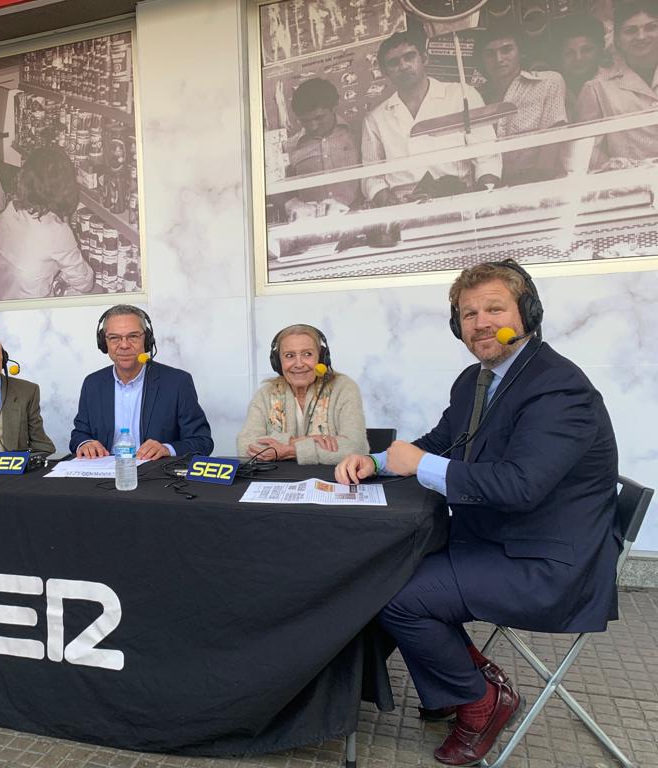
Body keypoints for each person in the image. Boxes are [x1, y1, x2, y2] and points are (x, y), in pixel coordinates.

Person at [335, 261, 619, 766]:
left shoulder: (559, 388)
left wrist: (420, 464)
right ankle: (456, 687)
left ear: (527, 313)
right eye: (469, 314)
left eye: (494, 308)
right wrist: (376, 461)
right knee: (380, 572)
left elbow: (520, 485)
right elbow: (443, 443)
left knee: (398, 597)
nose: (480, 322)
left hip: (548, 565)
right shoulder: (477, 379)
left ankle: (481, 701)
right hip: (496, 542)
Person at [361, 30, 502, 205]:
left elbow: (487, 155)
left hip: (459, 197)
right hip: (403, 204)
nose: (403, 66)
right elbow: (371, 177)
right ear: (384, 71)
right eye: (393, 63)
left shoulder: (462, 95)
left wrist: (485, 197)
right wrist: (391, 204)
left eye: (409, 57)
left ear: (424, 58)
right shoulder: (376, 119)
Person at [69, 305, 213, 460]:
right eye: (114, 338)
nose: (124, 345)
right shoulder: (93, 384)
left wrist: (167, 449)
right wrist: (85, 443)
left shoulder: (177, 382)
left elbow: (202, 442)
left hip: (157, 477)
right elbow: (79, 434)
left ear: (148, 339)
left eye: (133, 336)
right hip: (104, 477)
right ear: (104, 343)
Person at [237, 324, 368, 463]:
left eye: (307, 354)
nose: (299, 364)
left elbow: (356, 448)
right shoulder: (266, 393)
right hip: (278, 479)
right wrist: (305, 441)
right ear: (277, 362)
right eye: (289, 356)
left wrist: (291, 450)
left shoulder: (343, 388)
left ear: (321, 358)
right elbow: (245, 445)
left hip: (333, 479)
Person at [0, 146, 95, 300]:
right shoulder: (57, 230)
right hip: (29, 313)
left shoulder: (11, 207)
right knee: (81, 292)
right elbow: (85, 283)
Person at [475, 26, 569, 184]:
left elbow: (552, 145)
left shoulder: (548, 83)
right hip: (492, 189)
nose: (498, 59)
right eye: (490, 53)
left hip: (540, 184)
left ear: (521, 51)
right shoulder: (476, 97)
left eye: (506, 50)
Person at [576, 0, 658, 170]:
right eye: (630, 30)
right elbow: (583, 150)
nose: (641, 36)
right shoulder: (597, 88)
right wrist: (617, 170)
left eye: (651, 27)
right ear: (617, 40)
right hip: (632, 189)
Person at [282, 78, 362, 217]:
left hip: (358, 217)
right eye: (305, 121)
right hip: (313, 226)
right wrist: (292, 204)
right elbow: (276, 188)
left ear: (335, 107)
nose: (313, 126)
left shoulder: (357, 135)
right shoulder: (290, 147)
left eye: (319, 118)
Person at [552, 14, 607, 120]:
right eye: (569, 53)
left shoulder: (612, 88)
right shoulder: (553, 93)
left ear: (600, 50)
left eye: (586, 50)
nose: (578, 58)